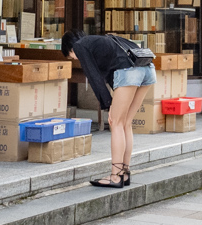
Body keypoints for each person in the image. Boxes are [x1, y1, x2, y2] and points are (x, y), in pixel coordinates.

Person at [62, 30, 157, 187]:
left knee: (116, 122)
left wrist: (108, 103)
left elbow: (93, 76)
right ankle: (124, 173)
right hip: (147, 69)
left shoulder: (80, 46)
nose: (74, 58)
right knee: (126, 122)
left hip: (129, 72)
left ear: (69, 49)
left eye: (71, 56)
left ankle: (115, 176)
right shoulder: (104, 39)